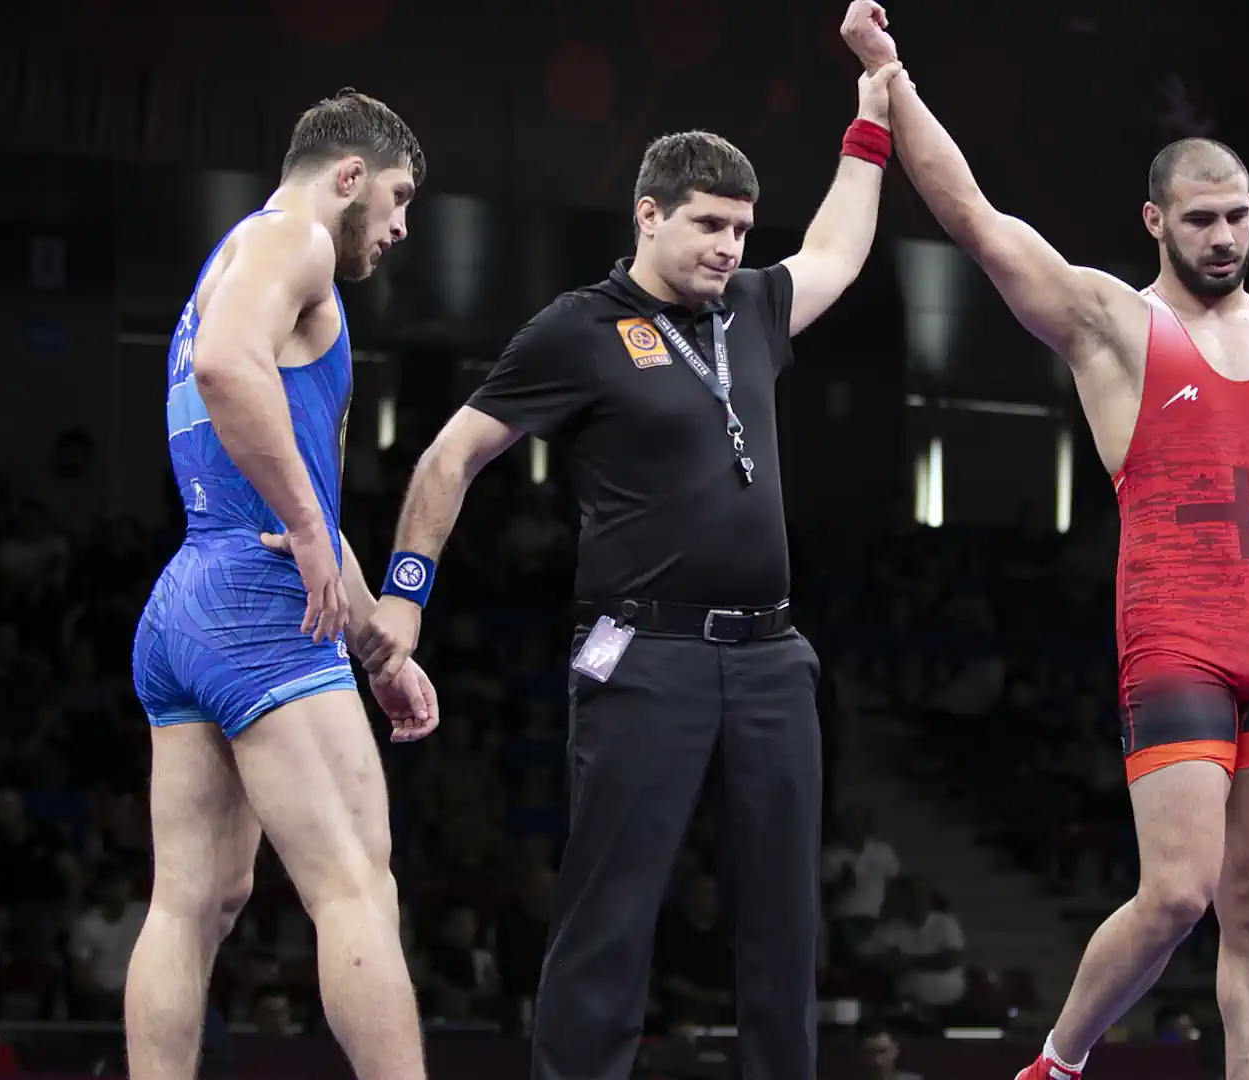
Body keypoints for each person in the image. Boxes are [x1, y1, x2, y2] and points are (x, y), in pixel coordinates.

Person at [840, 7, 1249, 1080]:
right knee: (1177, 896)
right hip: (1177, 646)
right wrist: (891, 73)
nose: (1225, 238)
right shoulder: (1112, 325)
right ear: (1155, 219)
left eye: (1240, 217)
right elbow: (973, 217)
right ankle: (1059, 1062)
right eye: (1201, 220)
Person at [355, 9, 902, 1077]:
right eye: (707, 226)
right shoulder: (577, 329)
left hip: (774, 660)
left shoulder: (751, 308)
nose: (729, 249)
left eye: (741, 231)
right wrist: (406, 596)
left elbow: (838, 244)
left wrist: (871, 110)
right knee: (613, 909)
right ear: (647, 215)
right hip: (644, 656)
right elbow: (445, 460)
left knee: (788, 924)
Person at [125, 88, 441, 1080]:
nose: (396, 228)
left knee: (196, 899)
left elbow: (280, 487)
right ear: (348, 175)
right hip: (257, 606)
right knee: (355, 884)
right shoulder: (293, 241)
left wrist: (373, 646)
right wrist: (308, 533)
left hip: (187, 601)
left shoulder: (235, 262)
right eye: (394, 201)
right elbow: (225, 370)